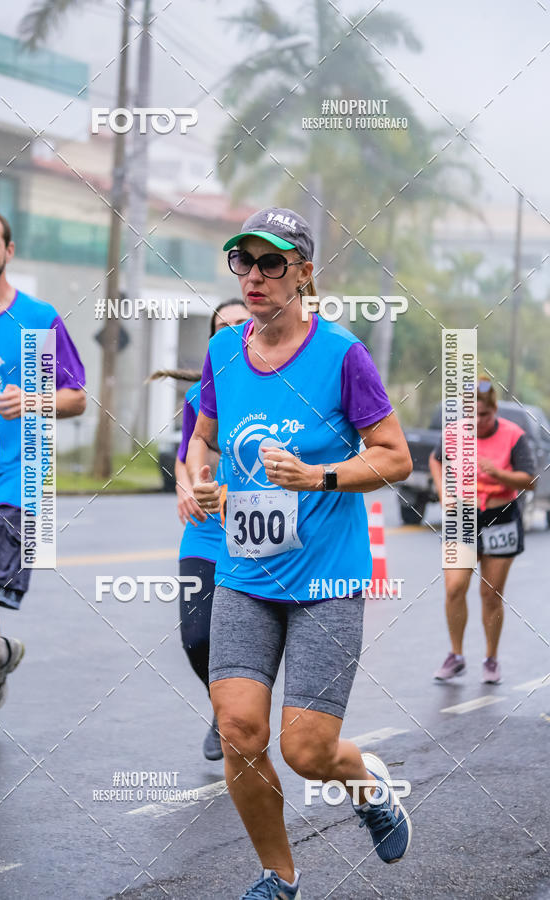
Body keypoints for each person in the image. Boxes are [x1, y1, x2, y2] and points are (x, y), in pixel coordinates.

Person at [187, 207, 414, 898]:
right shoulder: (225, 351)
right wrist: (197, 476)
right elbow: (203, 437)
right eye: (244, 262)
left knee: (306, 751)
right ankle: (278, 875)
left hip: (326, 579)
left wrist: (317, 476)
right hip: (244, 574)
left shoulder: (343, 354)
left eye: (272, 263)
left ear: (305, 273)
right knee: (238, 729)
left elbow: (396, 457)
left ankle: (367, 785)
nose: (254, 276)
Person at [0, 209, 86, 748]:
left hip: (13, 483)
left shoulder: (36, 318)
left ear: (10, 251)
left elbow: (76, 397)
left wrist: (32, 400)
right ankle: (0, 655)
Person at [167, 299, 249, 760]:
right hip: (205, 526)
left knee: (243, 637)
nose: (234, 333)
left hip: (255, 529)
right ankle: (224, 711)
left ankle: (241, 711)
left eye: (241, 324)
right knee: (197, 636)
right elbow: (186, 453)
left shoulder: (279, 384)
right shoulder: (199, 397)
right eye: (224, 328)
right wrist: (185, 487)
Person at [429, 377, 536, 684]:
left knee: (490, 594)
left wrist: (498, 472)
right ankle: (456, 655)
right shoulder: (454, 434)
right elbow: (436, 461)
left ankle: (491, 658)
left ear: (494, 411)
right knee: (453, 587)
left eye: (484, 415)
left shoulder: (514, 436)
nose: (477, 421)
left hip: (500, 517)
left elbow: (530, 480)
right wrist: (443, 491)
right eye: (471, 415)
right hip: (462, 516)